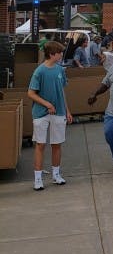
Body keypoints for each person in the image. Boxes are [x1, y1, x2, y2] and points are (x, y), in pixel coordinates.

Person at [28, 41, 72, 191]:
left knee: (57, 144)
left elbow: (62, 91)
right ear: (52, 54)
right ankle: (38, 178)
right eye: (59, 53)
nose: (61, 55)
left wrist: (67, 110)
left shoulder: (60, 70)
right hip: (41, 113)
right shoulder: (39, 71)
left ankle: (56, 174)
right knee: (40, 144)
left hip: (59, 112)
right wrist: (47, 104)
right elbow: (31, 93)